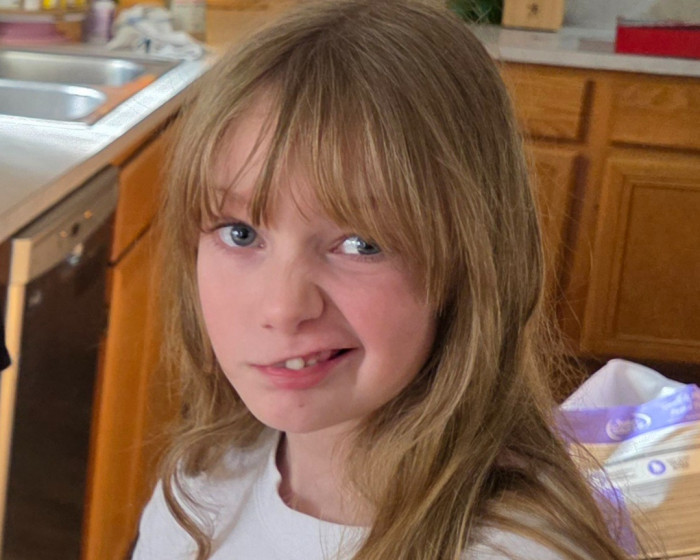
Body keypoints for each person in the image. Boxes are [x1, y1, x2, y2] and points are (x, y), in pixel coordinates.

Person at [133, 1, 641, 558]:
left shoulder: (514, 550)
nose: (282, 307)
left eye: (361, 244)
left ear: (470, 263)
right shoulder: (201, 483)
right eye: (241, 233)